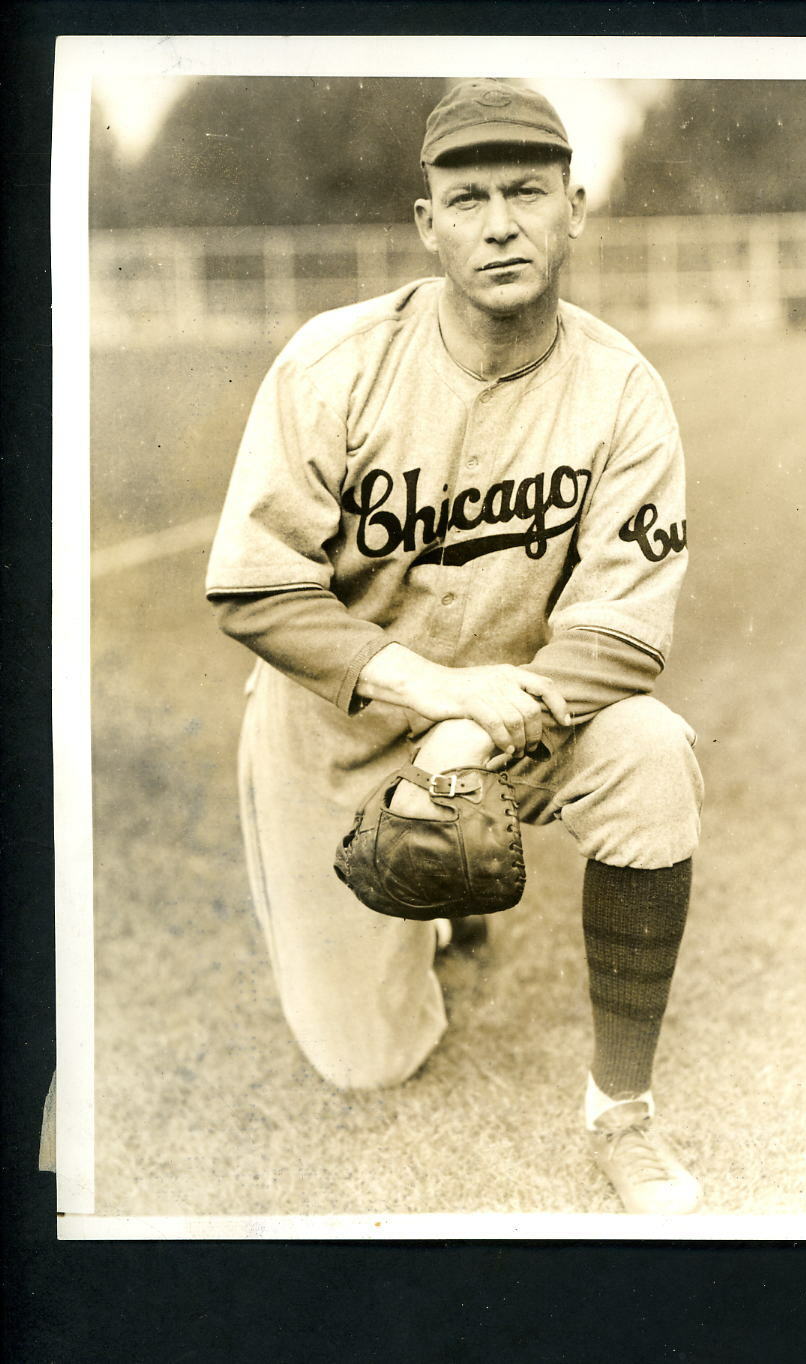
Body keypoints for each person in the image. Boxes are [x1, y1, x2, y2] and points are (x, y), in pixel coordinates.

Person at [206, 79, 704, 1215]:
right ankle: (438, 915)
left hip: (521, 716)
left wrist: (473, 723)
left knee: (653, 753)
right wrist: (427, 692)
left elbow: (624, 629)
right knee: (368, 1059)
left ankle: (621, 1112)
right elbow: (252, 586)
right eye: (466, 197)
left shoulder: (622, 390)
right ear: (426, 223)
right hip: (340, 723)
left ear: (574, 209)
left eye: (526, 191)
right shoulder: (334, 364)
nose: (498, 223)